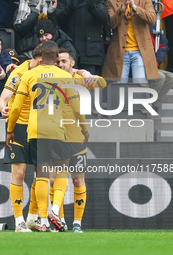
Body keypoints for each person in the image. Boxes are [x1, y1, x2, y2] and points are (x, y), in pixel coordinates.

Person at [6, 41, 89, 232]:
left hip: (35, 130)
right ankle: (55, 209)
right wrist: (84, 129)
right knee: (61, 171)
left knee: (41, 175)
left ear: (41, 56)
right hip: (58, 130)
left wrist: (10, 129)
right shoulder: (65, 76)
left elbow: (16, 107)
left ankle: (43, 220)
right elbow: (77, 107)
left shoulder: (29, 75)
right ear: (57, 56)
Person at [57, 47, 106, 232]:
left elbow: (102, 84)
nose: (60, 65)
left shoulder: (79, 80)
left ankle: (77, 223)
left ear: (72, 63)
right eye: (58, 62)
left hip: (77, 138)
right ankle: (59, 221)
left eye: (63, 61)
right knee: (55, 181)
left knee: (78, 180)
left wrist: (90, 75)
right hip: (56, 137)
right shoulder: (51, 80)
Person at [0, 44, 43, 232]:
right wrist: (3, 109)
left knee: (41, 175)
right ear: (40, 60)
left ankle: (32, 218)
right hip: (19, 127)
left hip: (40, 127)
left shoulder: (48, 73)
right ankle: (19, 221)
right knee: (19, 173)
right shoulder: (19, 73)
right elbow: (2, 100)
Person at [102, 0, 159, 83]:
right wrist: (121, 9)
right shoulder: (111, 1)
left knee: (140, 86)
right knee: (119, 88)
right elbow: (111, 23)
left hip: (140, 51)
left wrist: (136, 8)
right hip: (119, 52)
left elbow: (152, 19)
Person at [56, 0, 110, 75]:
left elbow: (105, 18)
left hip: (91, 53)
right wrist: (71, 8)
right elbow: (58, 20)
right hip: (69, 52)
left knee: (90, 84)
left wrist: (92, 7)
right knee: (68, 85)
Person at [148, 24, 173, 110]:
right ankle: (146, 104)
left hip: (152, 65)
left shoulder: (153, 26)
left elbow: (163, 46)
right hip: (140, 65)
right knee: (160, 77)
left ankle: (155, 104)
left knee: (172, 77)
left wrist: (156, 61)